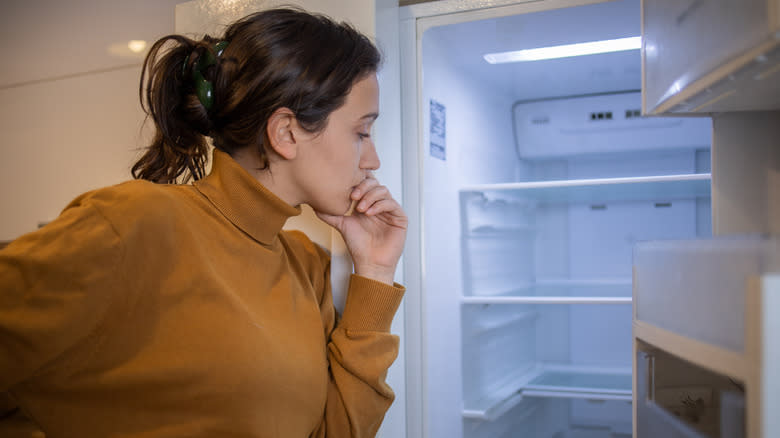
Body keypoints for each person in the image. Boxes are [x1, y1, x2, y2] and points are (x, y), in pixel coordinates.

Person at [0, 7, 406, 438]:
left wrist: (376, 271)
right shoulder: (133, 223)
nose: (373, 160)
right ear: (286, 132)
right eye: (361, 133)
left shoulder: (307, 266)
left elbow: (339, 432)